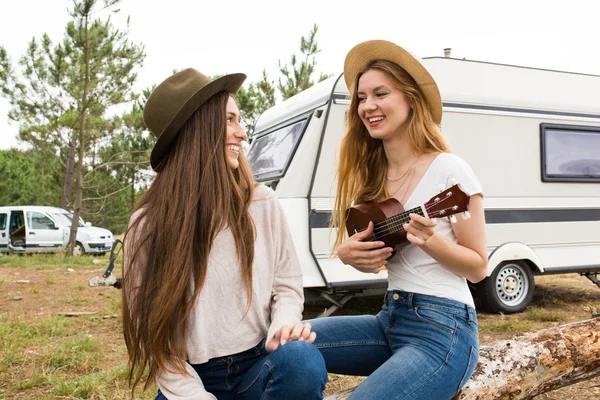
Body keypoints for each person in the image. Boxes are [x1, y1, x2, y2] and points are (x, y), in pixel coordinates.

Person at [122, 68, 328, 400]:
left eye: (239, 120)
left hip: (258, 366)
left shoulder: (262, 203)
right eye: (230, 120)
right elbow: (152, 340)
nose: (242, 133)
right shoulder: (147, 225)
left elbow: (287, 283)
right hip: (189, 379)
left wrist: (282, 325)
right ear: (197, 130)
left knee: (301, 362)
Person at [307, 40, 488, 400]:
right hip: (390, 318)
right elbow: (380, 260)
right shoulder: (375, 176)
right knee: (290, 342)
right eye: (361, 97)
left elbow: (479, 268)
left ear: (409, 98)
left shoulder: (449, 171)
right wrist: (350, 256)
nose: (368, 106)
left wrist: (432, 241)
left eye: (380, 93)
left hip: (444, 329)